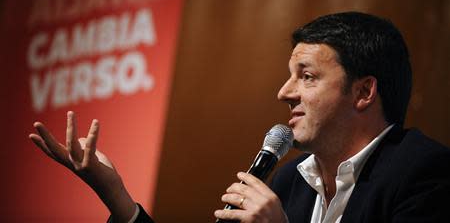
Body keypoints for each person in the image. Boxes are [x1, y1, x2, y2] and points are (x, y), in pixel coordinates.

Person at [30, 12, 450, 223]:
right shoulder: (288, 183)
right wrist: (118, 200)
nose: (284, 93)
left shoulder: (425, 174)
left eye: (305, 77)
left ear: (363, 92)